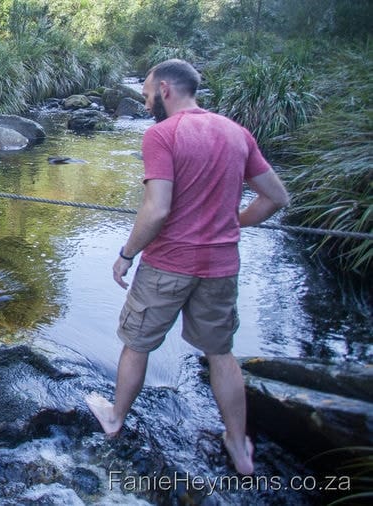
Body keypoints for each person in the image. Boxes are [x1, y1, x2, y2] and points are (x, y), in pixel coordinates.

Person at [85, 59, 290, 476]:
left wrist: (127, 254)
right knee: (220, 353)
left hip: (167, 264)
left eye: (145, 95)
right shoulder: (237, 133)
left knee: (136, 343)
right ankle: (237, 443)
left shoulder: (162, 135)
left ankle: (114, 416)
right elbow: (276, 198)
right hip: (221, 266)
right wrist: (234, 222)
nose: (145, 104)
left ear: (165, 89)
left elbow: (157, 209)